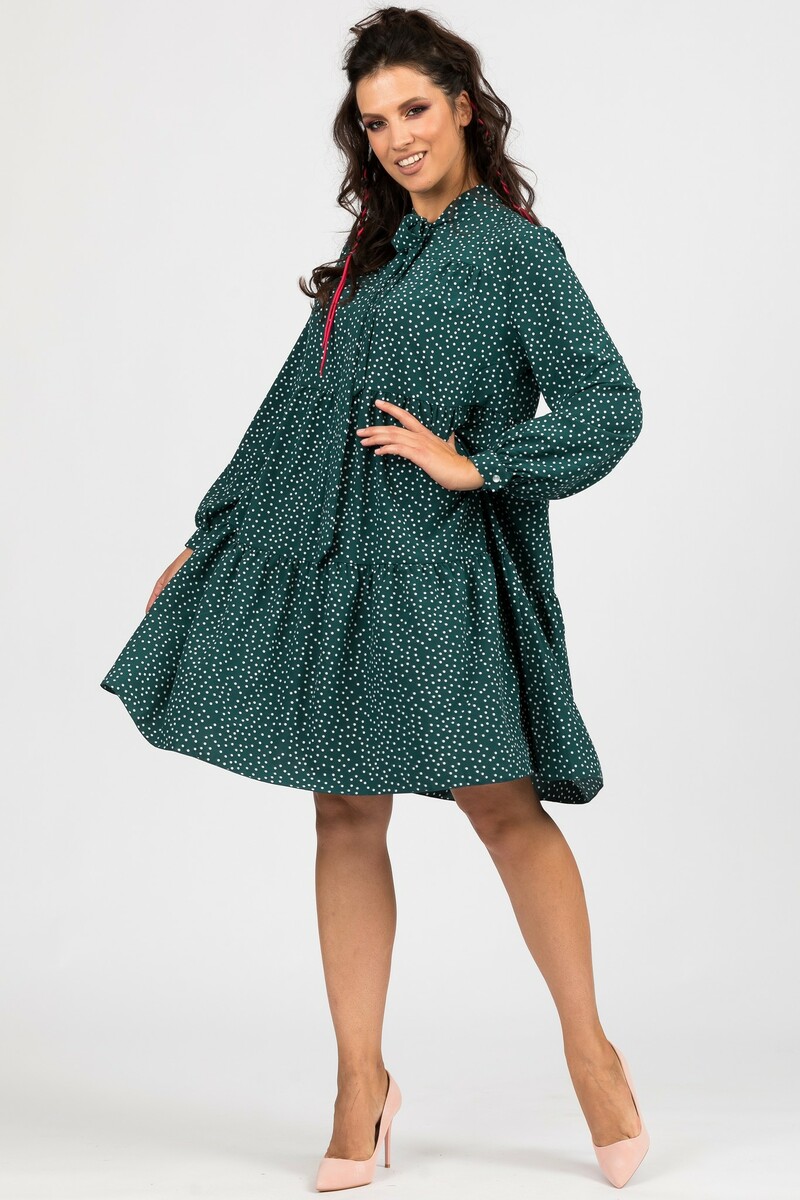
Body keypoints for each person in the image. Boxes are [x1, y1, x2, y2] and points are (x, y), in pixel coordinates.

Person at [100, 6, 649, 1191]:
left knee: (500, 806)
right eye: (373, 120)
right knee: (343, 812)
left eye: (413, 108)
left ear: (462, 105)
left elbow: (607, 404)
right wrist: (209, 536)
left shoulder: (515, 253)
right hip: (332, 560)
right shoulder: (372, 257)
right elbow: (291, 413)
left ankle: (590, 1055)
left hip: (441, 567)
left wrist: (479, 464)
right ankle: (360, 1081)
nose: (396, 136)